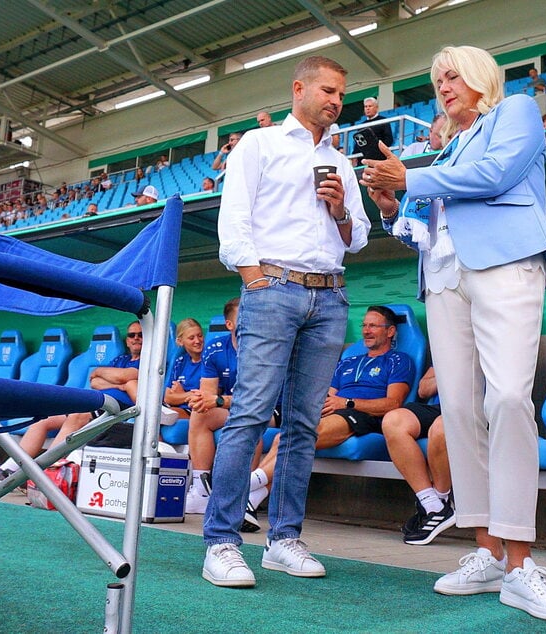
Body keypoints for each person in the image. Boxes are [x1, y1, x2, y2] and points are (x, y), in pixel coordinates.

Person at [361, 45, 546, 623]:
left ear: (482, 77)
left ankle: (520, 565)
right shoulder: (447, 146)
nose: (444, 86)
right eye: (437, 80)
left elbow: (496, 174)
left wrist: (412, 175)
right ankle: (484, 553)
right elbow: (423, 225)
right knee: (458, 411)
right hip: (442, 277)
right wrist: (391, 205)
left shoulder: (517, 112)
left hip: (506, 264)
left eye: (453, 75)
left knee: (509, 397)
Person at [203, 55, 369, 588]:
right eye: (327, 90)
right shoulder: (260, 143)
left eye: (341, 94)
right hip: (272, 287)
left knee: (302, 424)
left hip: (330, 296)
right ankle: (222, 542)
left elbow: (358, 237)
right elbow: (235, 219)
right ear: (297, 89)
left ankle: (284, 539)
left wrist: (341, 208)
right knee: (250, 412)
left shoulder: (340, 163)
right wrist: (254, 279)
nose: (335, 101)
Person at [252, 305, 414, 501]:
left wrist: (347, 403)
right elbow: (327, 397)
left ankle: (246, 484)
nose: (366, 331)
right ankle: (251, 500)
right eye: (364, 325)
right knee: (283, 438)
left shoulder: (398, 360)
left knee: (298, 437)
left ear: (390, 331)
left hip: (366, 417)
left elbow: (393, 403)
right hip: (337, 413)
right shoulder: (348, 362)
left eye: (373, 326)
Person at [0, 322, 144, 488]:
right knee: (44, 421)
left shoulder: (150, 360)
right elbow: (94, 381)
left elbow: (118, 376)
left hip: (121, 408)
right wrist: (118, 383)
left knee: (77, 417)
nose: (136, 338)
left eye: (141, 335)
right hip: (98, 403)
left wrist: (109, 376)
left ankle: (42, 475)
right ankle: (7, 471)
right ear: (127, 340)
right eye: (132, 335)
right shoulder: (120, 359)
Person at [382, 366, 454, 545]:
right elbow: (423, 390)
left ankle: (441, 500)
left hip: (479, 409)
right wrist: (453, 372)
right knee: (393, 421)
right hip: (441, 407)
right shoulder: (452, 346)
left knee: (440, 428)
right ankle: (433, 505)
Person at [185, 300, 239, 515]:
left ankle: (242, 495)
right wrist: (202, 400)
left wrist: (219, 401)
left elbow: (258, 400)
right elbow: (208, 396)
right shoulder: (216, 347)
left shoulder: (264, 348)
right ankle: (201, 491)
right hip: (232, 407)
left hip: (269, 410)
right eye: (242, 318)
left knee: (246, 421)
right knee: (200, 413)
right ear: (229, 324)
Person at [164, 318, 205, 422]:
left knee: (155, 417)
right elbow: (168, 398)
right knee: (148, 415)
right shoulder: (180, 362)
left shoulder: (210, 359)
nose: (197, 341)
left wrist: (180, 394)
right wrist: (189, 394)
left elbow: (205, 395)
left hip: (198, 411)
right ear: (180, 341)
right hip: (177, 408)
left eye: (200, 336)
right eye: (191, 338)